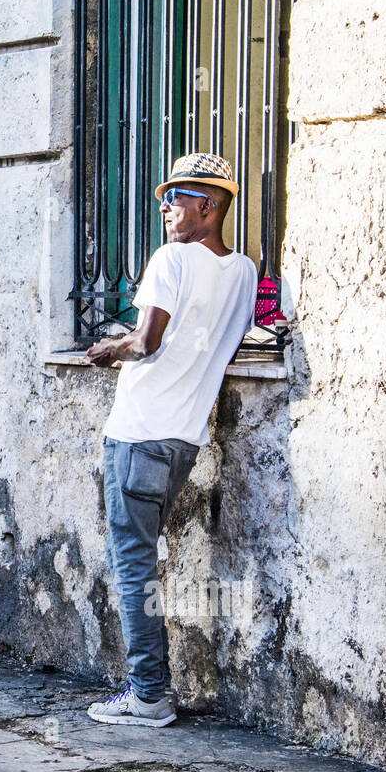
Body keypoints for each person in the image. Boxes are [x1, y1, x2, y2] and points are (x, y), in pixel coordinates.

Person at [83, 152, 259, 727]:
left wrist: (113, 346)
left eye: (177, 197)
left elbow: (149, 342)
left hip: (139, 434)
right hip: (184, 439)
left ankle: (148, 694)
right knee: (144, 560)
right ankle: (149, 686)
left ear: (208, 205)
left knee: (132, 565)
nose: (165, 206)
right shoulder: (244, 271)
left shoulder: (171, 258)